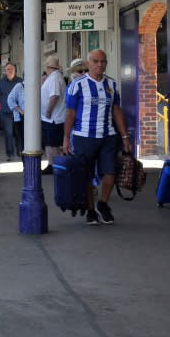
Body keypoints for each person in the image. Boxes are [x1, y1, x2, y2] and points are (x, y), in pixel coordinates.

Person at [62, 50, 133, 226]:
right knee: (86, 175)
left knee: (110, 172)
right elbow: (70, 113)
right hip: (83, 136)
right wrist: (66, 138)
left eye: (102, 61)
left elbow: (117, 111)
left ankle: (103, 204)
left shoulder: (112, 84)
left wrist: (125, 136)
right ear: (88, 63)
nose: (99, 64)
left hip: (108, 135)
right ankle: (91, 210)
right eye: (95, 61)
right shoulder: (77, 85)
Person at [40, 55, 67, 174]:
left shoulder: (55, 78)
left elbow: (54, 96)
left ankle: (57, 165)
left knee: (53, 144)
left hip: (54, 118)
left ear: (48, 67)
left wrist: (48, 110)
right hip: (50, 118)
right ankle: (52, 164)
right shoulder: (53, 77)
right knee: (49, 142)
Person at [0, 63, 23, 161]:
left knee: (19, 133)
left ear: (15, 70)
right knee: (9, 133)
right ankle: (10, 154)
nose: (9, 71)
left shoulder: (20, 81)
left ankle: (20, 150)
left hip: (19, 112)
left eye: (11, 69)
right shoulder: (1, 82)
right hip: (6, 112)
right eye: (7, 70)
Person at [7, 80, 25, 154]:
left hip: (33, 119)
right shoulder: (20, 86)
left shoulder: (37, 86)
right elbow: (10, 99)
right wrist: (20, 110)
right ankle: (23, 157)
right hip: (20, 118)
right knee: (22, 140)